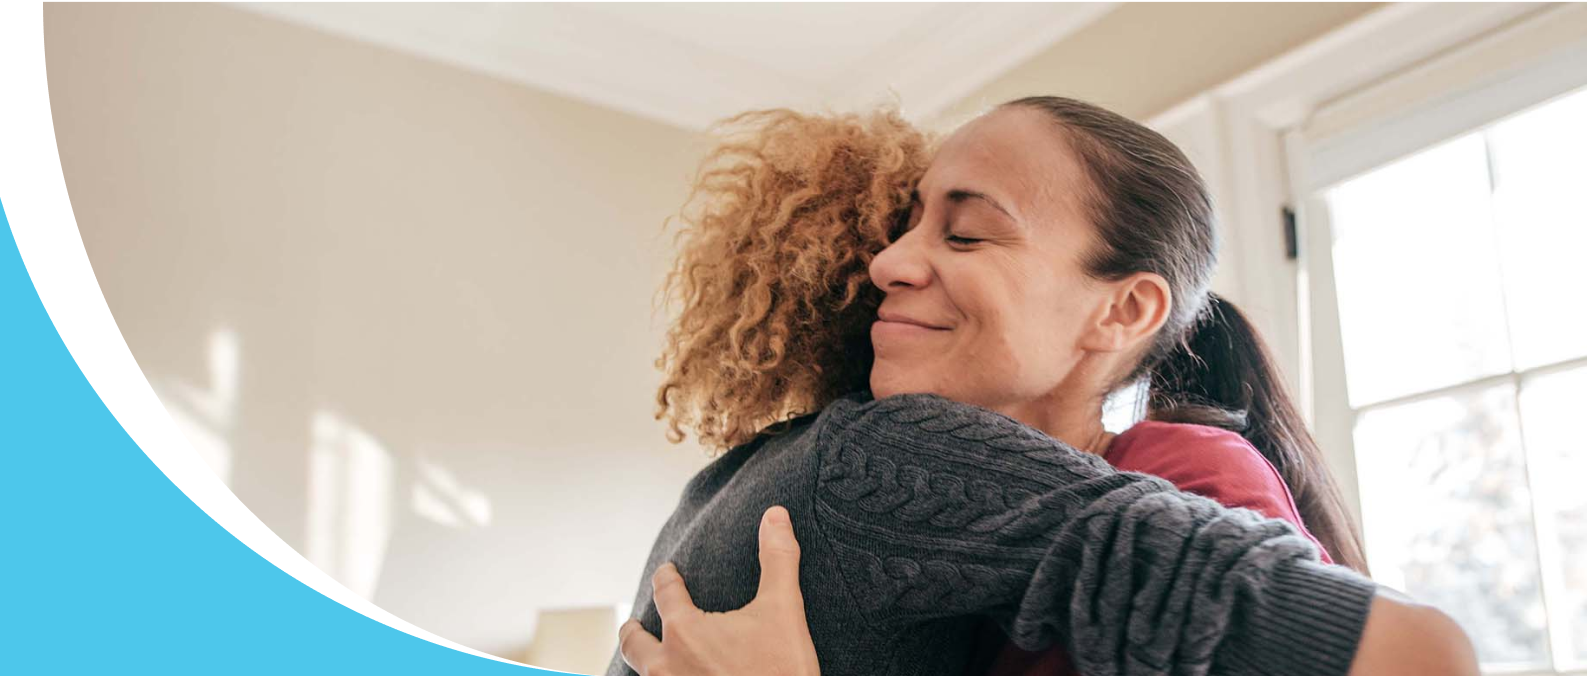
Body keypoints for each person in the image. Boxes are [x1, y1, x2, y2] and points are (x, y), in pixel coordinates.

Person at [610, 99, 1477, 676]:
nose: (886, 262)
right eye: (907, 224)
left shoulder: (1182, 472)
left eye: (971, 234)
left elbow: (1417, 655)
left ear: (1123, 310)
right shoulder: (857, 482)